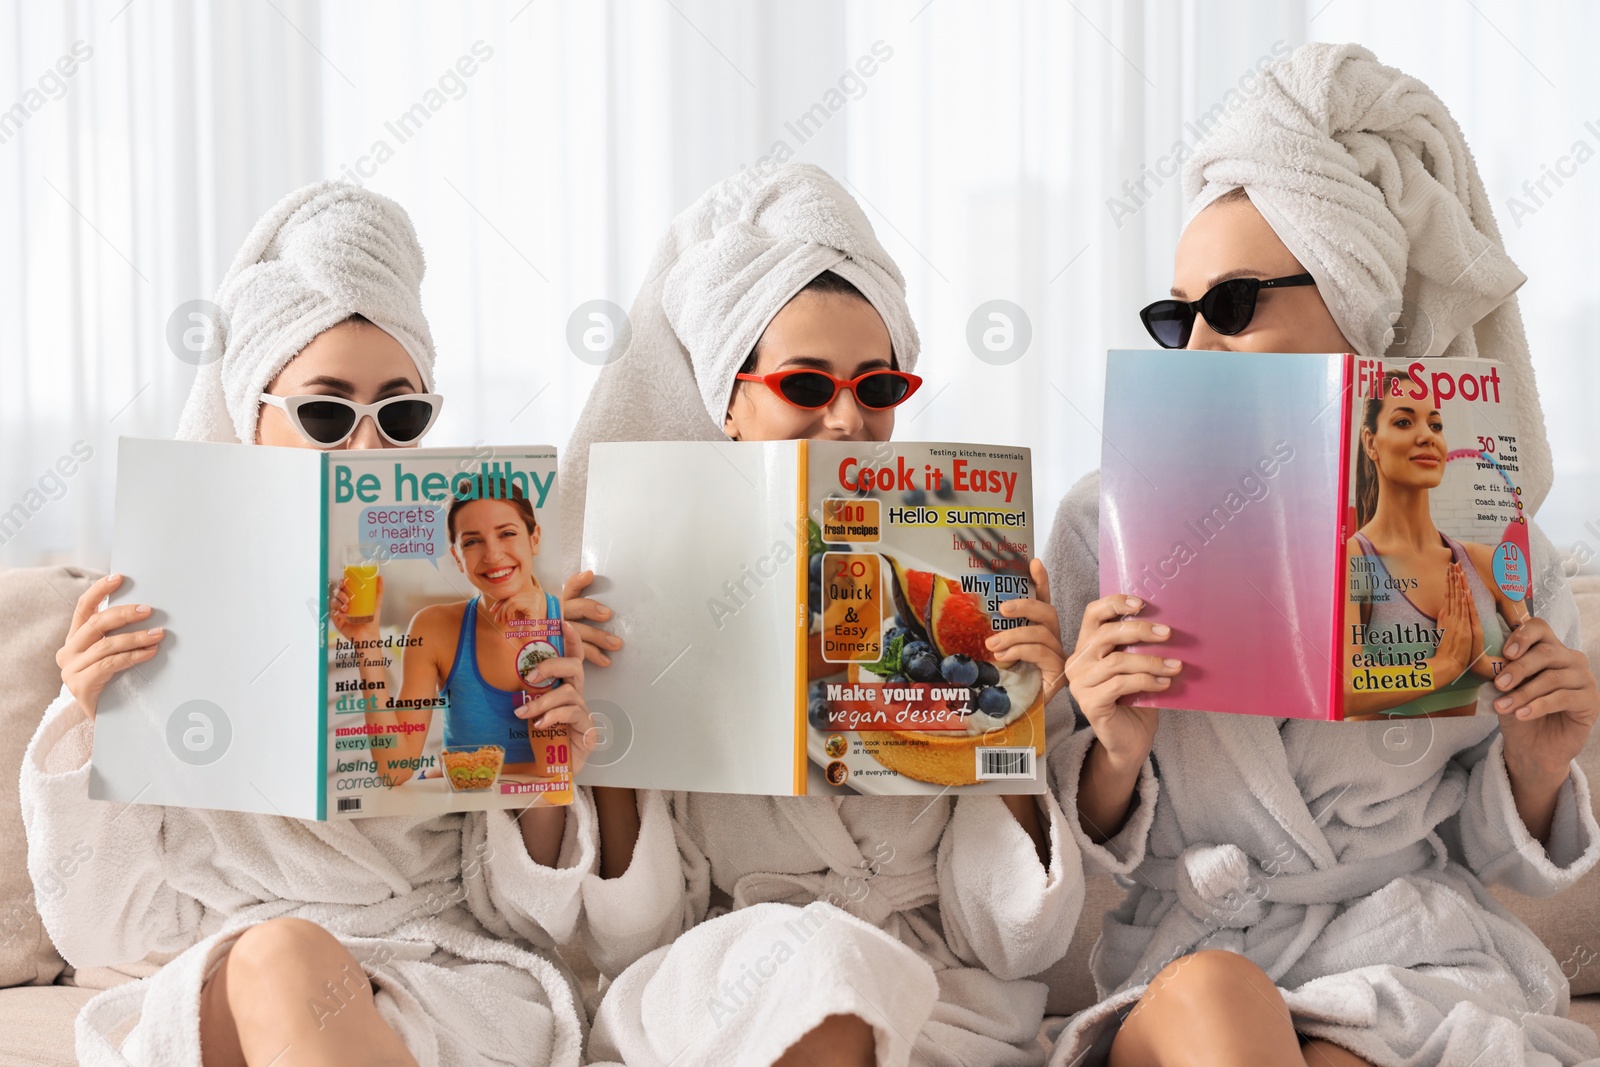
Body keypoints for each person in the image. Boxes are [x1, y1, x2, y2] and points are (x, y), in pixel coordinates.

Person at [1046, 44, 1600, 1067]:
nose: (1198, 348)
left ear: (1354, 301)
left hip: (1400, 951)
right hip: (1193, 952)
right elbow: (1075, 850)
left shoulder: (1486, 530)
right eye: (1177, 316)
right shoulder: (1102, 519)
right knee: (1221, 995)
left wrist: (1535, 763)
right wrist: (1111, 747)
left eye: (1232, 305)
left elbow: (1488, 852)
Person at [25, 182, 593, 1067]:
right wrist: (87, 719)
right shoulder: (159, 610)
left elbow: (528, 914)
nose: (366, 450)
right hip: (244, 969)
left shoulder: (472, 609)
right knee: (282, 955)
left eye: (400, 415)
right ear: (252, 416)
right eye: (326, 414)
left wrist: (547, 769)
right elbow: (99, 926)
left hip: (432, 968)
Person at [562, 164, 1086, 1067]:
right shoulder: (648, 586)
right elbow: (628, 933)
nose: (846, 418)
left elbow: (1017, 939)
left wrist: (1013, 717)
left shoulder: (958, 571)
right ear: (731, 399)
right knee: (819, 968)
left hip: (940, 1002)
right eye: (807, 386)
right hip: (725, 994)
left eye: (877, 388)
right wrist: (610, 731)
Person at [332, 484, 577, 781]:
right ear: (457, 557)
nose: (493, 555)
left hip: (506, 799)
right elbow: (394, 770)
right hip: (461, 804)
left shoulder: (567, 621)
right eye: (472, 542)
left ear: (534, 538)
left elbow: (553, 771)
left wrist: (536, 638)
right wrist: (366, 644)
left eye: (507, 533)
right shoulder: (433, 627)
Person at [1344, 369, 1519, 719]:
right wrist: (1447, 664)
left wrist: (1484, 665)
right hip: (1370, 767)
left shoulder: (1484, 561)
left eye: (1435, 425)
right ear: (1370, 442)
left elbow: (1533, 667)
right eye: (1404, 422)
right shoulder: (1354, 560)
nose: (1427, 436)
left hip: (1471, 761)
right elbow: (1341, 688)